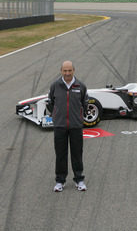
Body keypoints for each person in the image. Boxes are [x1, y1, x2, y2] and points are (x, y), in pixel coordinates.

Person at [48, 60, 88, 192]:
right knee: (60, 154)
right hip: (60, 126)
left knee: (77, 153)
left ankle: (79, 179)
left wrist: (79, 118)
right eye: (65, 71)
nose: (67, 73)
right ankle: (60, 180)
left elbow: (85, 104)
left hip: (76, 125)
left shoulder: (80, 86)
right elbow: (50, 103)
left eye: (69, 70)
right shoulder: (55, 85)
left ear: (74, 70)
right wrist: (56, 116)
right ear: (61, 71)